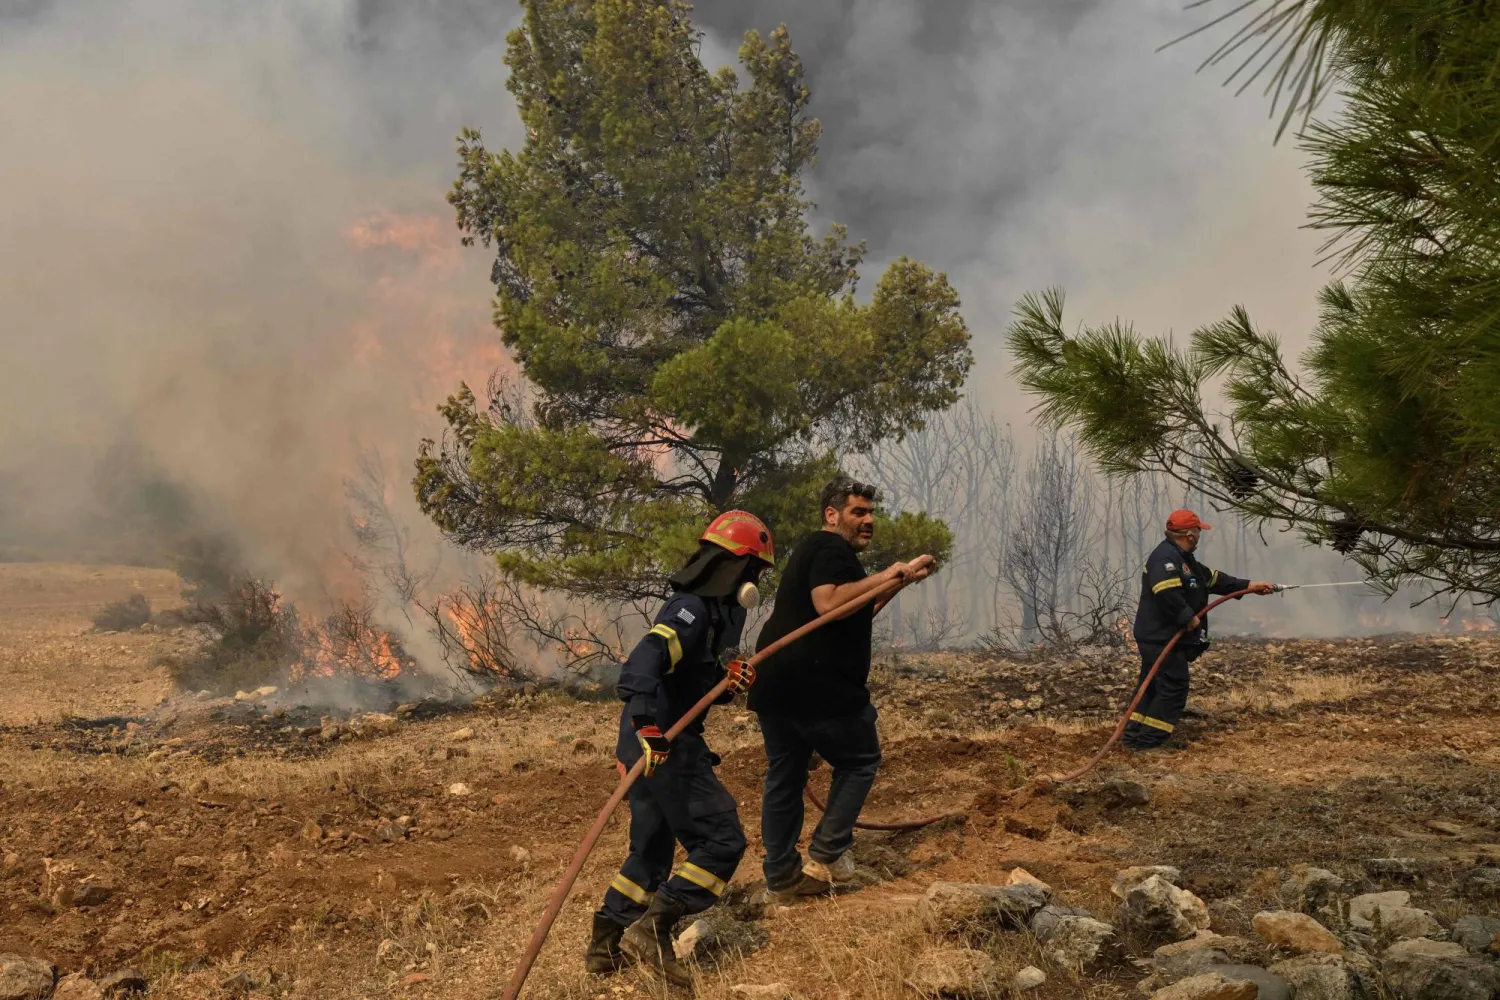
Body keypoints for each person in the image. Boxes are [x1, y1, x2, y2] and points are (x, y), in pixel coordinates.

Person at [586, 511, 775, 986]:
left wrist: (727, 682)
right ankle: (654, 928)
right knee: (722, 841)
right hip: (664, 741)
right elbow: (647, 657)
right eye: (756, 571)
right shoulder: (689, 611)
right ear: (737, 567)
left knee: (649, 852)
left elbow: (691, 677)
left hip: (644, 742)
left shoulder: (715, 613)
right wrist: (650, 724)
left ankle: (604, 944)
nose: (757, 584)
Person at [748, 477, 934, 901]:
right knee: (860, 760)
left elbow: (854, 612)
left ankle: (780, 876)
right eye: (858, 512)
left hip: (775, 683)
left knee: (786, 774)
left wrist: (899, 580)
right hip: (816, 684)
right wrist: (889, 571)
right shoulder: (830, 547)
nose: (868, 521)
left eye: (871, 513)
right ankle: (827, 854)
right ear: (832, 515)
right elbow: (829, 604)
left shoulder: (818, 551)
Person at [1125, 508, 1275, 750]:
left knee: (1154, 685)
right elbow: (1165, 593)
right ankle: (1149, 744)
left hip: (1162, 636)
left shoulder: (1183, 559)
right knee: (1173, 687)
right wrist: (1188, 617)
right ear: (1190, 535)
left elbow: (1212, 579)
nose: (1200, 536)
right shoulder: (1165, 559)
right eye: (1199, 531)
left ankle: (1133, 739)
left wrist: (1249, 586)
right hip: (1161, 638)